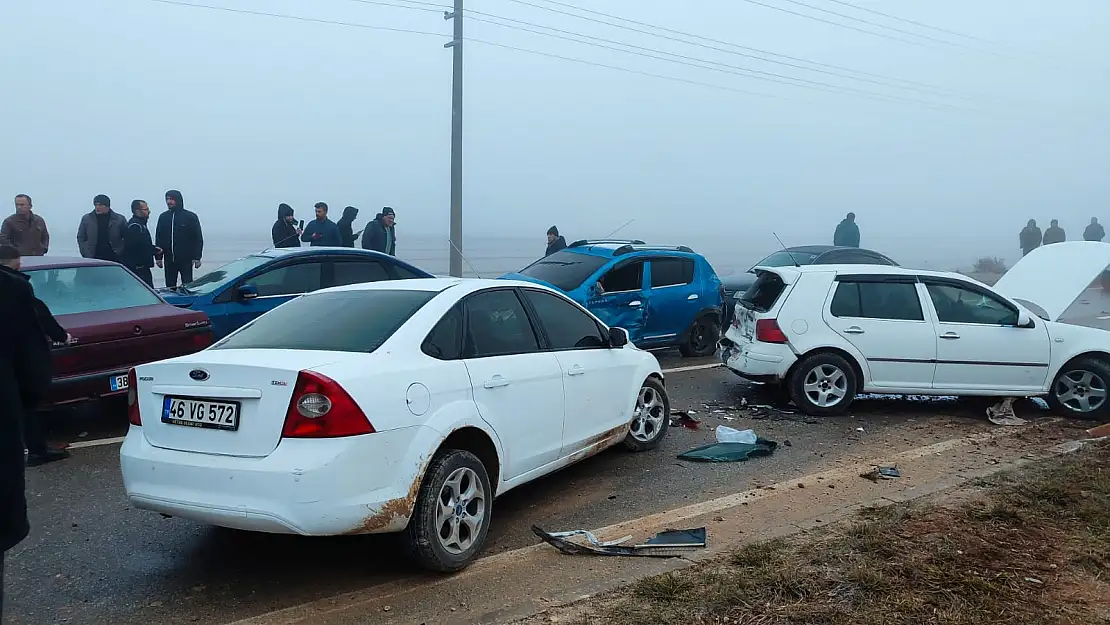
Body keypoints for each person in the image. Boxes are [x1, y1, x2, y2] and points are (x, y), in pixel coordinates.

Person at [0, 246, 70, 470]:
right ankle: (37, 450)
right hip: (19, 359)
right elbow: (39, 315)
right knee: (28, 404)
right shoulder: (17, 286)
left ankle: (35, 448)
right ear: (16, 262)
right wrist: (62, 336)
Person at [155, 190, 204, 287]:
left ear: (178, 200)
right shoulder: (163, 217)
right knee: (170, 286)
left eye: (172, 199)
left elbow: (197, 238)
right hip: (169, 259)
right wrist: (158, 258)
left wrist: (197, 257)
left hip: (185, 259)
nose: (169, 202)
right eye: (167, 199)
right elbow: (159, 238)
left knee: (188, 286)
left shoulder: (190, 217)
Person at [121, 200, 159, 287]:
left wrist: (154, 249)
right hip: (138, 269)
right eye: (146, 209)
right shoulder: (135, 226)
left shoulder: (141, 224)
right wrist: (152, 250)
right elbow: (134, 247)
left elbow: (143, 244)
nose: (149, 211)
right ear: (137, 211)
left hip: (143, 267)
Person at [76, 195, 125, 261]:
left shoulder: (119, 219)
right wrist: (85, 252)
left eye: (101, 205)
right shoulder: (87, 219)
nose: (97, 207)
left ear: (107, 206)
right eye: (96, 205)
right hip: (93, 256)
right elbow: (80, 237)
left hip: (114, 256)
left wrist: (121, 251)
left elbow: (126, 237)